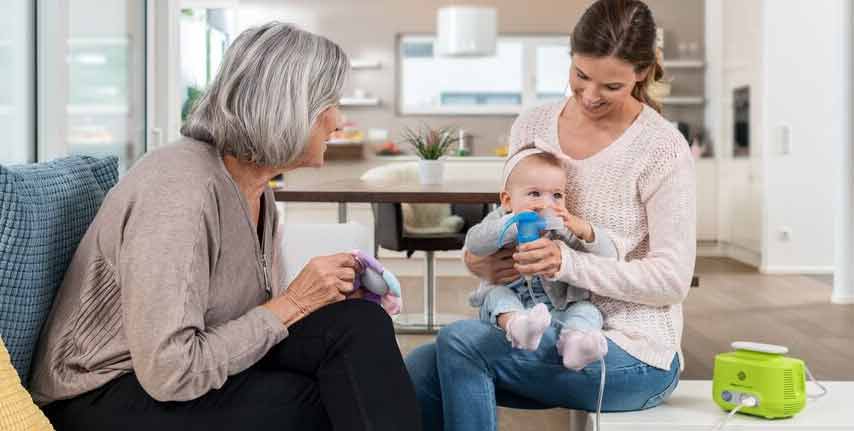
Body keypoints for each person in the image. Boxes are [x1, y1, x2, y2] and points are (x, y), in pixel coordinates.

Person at [30, 22, 421, 431]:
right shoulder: (180, 190)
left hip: (176, 372)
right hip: (102, 394)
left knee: (359, 324)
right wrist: (295, 303)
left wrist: (317, 301)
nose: (338, 121)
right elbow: (170, 371)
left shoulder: (255, 187)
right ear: (286, 108)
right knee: (315, 403)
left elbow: (243, 319)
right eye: (329, 103)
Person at [405, 0, 696, 429]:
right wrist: (479, 262)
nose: (591, 96)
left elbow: (671, 280)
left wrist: (569, 264)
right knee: (422, 367)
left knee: (461, 341)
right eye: (581, 76)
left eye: (611, 86)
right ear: (570, 56)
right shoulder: (532, 125)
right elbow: (505, 219)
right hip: (542, 323)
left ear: (642, 72)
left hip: (633, 352)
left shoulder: (662, 148)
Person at [464, 145, 615, 370]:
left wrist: (582, 229)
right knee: (496, 295)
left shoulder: (562, 227)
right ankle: (518, 327)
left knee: (587, 310)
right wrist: (513, 223)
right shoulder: (501, 220)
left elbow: (608, 255)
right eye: (534, 193)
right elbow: (474, 242)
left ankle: (575, 344)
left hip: (556, 307)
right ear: (507, 200)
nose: (546, 204)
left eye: (557, 195)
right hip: (510, 303)